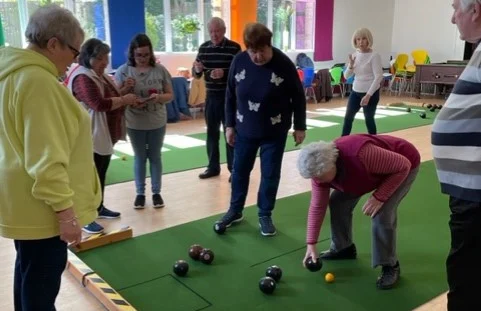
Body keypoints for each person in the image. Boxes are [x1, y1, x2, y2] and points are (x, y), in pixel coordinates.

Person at [0, 5, 101, 310]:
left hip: (24, 205)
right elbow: (46, 160)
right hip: (43, 211)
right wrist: (66, 215)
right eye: (74, 51)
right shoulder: (37, 82)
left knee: (29, 276)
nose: (74, 61)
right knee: (40, 288)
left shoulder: (12, 73)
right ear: (53, 44)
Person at [214, 23, 306, 236]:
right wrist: (228, 126)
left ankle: (265, 214)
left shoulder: (283, 64)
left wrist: (300, 126)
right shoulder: (239, 61)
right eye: (252, 51)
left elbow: (298, 97)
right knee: (239, 172)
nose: (257, 56)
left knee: (270, 174)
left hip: (275, 131)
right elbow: (229, 95)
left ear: (269, 45)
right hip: (244, 128)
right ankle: (235, 210)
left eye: (261, 51)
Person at [297, 134, 420, 289]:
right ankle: (343, 248)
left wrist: (380, 197)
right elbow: (317, 206)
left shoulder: (360, 155)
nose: (317, 181)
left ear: (332, 164)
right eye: (314, 177)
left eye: (320, 177)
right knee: (337, 202)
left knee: (381, 213)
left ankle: (390, 265)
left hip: (402, 166)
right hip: (363, 173)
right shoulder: (320, 173)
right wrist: (311, 244)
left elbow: (403, 165)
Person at [432, 0, 481, 309]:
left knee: (466, 276)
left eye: (455, 9)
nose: (453, 18)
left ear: (475, 10)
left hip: (476, 193)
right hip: (469, 188)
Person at [67, 39, 138, 233]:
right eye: (100, 58)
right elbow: (98, 103)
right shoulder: (82, 77)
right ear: (88, 58)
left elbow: (109, 97)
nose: (105, 62)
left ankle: (98, 207)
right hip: (89, 136)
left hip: (104, 133)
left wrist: (124, 89)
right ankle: (85, 217)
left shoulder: (99, 75)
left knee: (100, 174)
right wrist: (124, 98)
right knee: (88, 178)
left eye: (106, 57)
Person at [115, 34, 174, 209]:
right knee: (140, 157)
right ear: (132, 54)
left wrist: (158, 97)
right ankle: (140, 194)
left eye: (146, 55)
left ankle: (157, 193)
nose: (142, 59)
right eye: (139, 55)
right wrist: (126, 88)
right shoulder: (123, 71)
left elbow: (170, 95)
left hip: (157, 120)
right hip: (135, 122)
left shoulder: (160, 70)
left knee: (155, 156)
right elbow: (116, 96)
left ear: (151, 54)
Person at [192, 17, 241, 181]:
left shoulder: (234, 48)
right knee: (211, 133)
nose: (214, 34)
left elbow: (241, 74)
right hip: (211, 97)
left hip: (229, 98)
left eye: (217, 31)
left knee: (231, 132)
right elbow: (197, 73)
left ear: (224, 30)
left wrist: (224, 73)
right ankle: (212, 167)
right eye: (211, 31)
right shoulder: (204, 48)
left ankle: (234, 169)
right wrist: (198, 70)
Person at [341, 28, 383, 136]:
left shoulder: (375, 56)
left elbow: (378, 77)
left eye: (364, 39)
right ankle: (341, 142)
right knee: (348, 118)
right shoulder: (354, 55)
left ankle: (375, 142)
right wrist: (350, 66)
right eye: (358, 39)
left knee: (369, 119)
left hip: (370, 93)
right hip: (356, 92)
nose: (360, 42)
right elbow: (346, 76)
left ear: (368, 40)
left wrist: (368, 95)